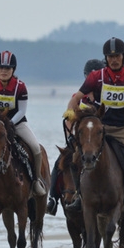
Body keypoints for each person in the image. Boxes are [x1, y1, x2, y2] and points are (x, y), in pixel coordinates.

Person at [62, 37, 124, 212]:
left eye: (117, 56)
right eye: (110, 56)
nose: (114, 60)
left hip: (122, 128)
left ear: (123, 57)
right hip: (100, 127)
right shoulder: (95, 77)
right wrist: (70, 110)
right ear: (106, 58)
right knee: (76, 158)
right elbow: (76, 98)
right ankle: (79, 197)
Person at [0, 51, 46, 200]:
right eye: (1, 68)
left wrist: (9, 124)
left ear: (13, 70)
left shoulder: (20, 87)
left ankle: (36, 181)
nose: (4, 71)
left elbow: (22, 110)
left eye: (7, 68)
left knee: (36, 149)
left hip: (17, 123)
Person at [46, 58, 105, 216]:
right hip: (80, 141)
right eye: (89, 77)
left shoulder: (108, 97)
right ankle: (52, 199)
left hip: (102, 139)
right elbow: (69, 121)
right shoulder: (78, 97)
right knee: (60, 161)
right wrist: (72, 138)